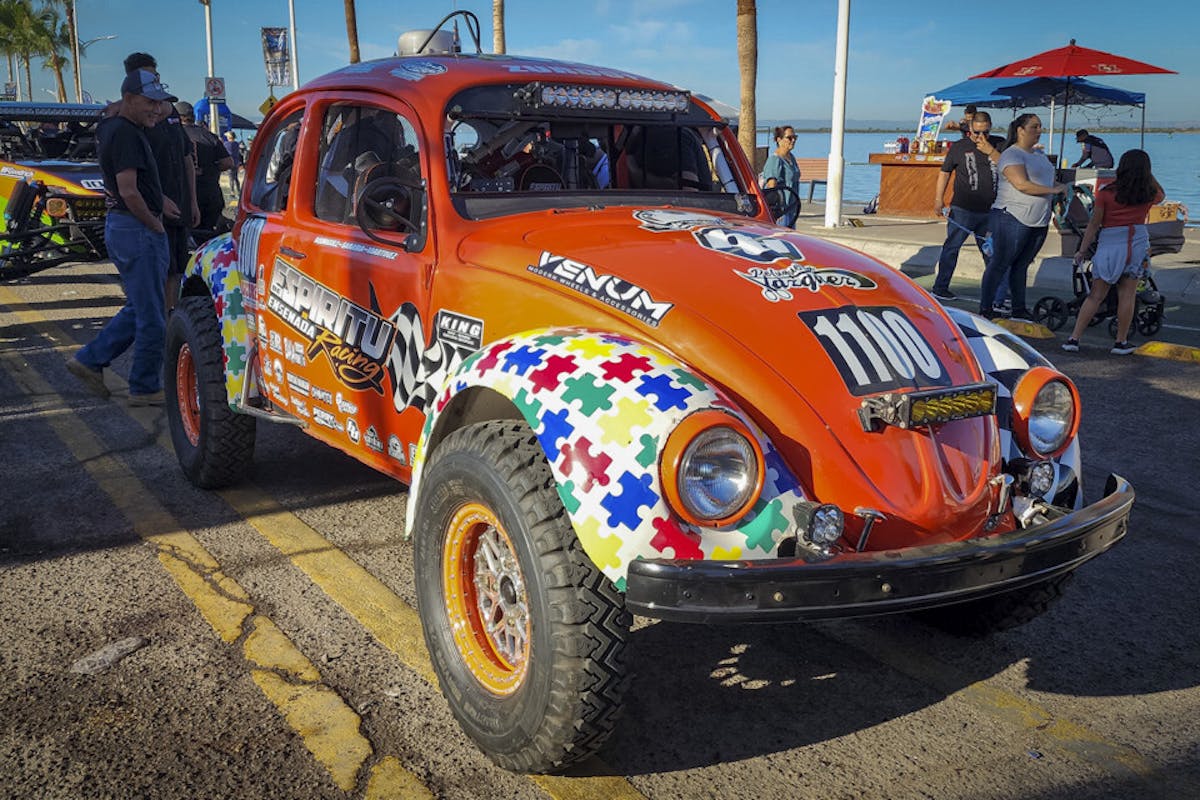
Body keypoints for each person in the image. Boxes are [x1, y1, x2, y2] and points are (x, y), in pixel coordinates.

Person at [66, 69, 178, 406]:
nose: (157, 109)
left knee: (142, 306)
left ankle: (90, 359)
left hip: (128, 226)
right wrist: (153, 222)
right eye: (149, 102)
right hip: (136, 229)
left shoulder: (115, 126)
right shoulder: (126, 134)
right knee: (153, 316)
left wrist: (159, 202)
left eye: (158, 103)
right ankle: (144, 387)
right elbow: (128, 190)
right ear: (129, 99)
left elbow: (162, 111)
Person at [1062, 150, 1164, 355]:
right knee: (1127, 294)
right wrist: (1146, 174)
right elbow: (1162, 195)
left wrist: (1082, 250)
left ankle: (1074, 338)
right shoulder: (1148, 193)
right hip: (1137, 242)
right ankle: (1120, 342)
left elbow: (1094, 223)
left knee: (1096, 295)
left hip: (1110, 242)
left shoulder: (1107, 193)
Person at [122, 52, 197, 309]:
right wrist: (157, 202)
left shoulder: (169, 110)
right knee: (156, 273)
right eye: (148, 78)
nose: (155, 83)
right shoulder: (130, 122)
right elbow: (130, 181)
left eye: (156, 77)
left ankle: (170, 316)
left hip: (178, 203)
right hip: (152, 209)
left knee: (176, 268)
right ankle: (157, 319)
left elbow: (186, 156)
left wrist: (192, 201)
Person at [978, 114, 1069, 322]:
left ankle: (1018, 308)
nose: (1039, 130)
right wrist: (1053, 190)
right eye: (1034, 127)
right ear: (1020, 130)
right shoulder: (1012, 155)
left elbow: (1047, 180)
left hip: (1039, 219)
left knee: (1022, 265)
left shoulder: (1039, 155)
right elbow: (1021, 184)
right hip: (1012, 216)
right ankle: (986, 307)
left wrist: (1062, 188)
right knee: (1000, 262)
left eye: (1040, 126)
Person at [930, 110, 1004, 301]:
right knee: (952, 247)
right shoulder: (959, 147)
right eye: (976, 132)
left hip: (991, 209)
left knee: (992, 252)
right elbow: (945, 172)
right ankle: (941, 287)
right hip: (963, 208)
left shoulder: (999, 144)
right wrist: (938, 199)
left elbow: (1009, 168)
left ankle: (998, 293)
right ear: (970, 129)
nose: (981, 137)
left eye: (985, 132)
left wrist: (991, 150)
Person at [178, 101, 234, 231]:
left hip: (183, 195)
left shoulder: (175, 135)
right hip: (210, 193)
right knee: (209, 233)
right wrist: (211, 169)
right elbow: (228, 162)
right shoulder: (208, 135)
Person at [761, 125, 800, 227]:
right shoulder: (775, 160)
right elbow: (771, 187)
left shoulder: (791, 158)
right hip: (781, 212)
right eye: (789, 138)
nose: (793, 140)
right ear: (779, 140)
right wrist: (776, 211)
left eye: (795, 137)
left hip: (791, 209)